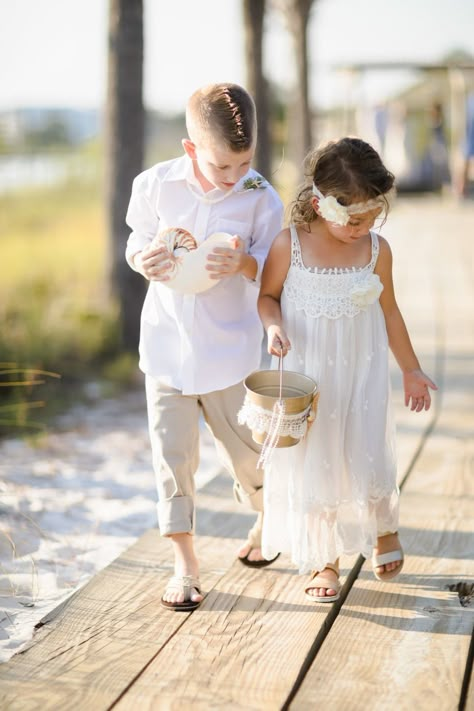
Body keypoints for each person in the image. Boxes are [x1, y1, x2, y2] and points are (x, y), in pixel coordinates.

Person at [257, 137, 437, 603]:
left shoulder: (376, 251)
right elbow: (267, 297)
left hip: (362, 374)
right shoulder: (288, 246)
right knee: (316, 462)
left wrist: (411, 371)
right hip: (310, 377)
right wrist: (273, 328)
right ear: (320, 205)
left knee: (367, 449)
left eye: (371, 217)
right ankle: (325, 559)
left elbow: (391, 312)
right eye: (353, 220)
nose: (363, 228)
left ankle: (384, 529)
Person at [125, 83, 284, 611]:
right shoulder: (154, 186)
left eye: (245, 161)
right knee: (172, 458)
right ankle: (186, 565)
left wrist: (243, 263)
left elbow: (274, 269)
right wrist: (142, 258)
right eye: (222, 166)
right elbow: (135, 242)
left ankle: (266, 514)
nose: (235, 175)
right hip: (166, 347)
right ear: (191, 149)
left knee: (246, 454)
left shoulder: (261, 195)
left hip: (228, 352)